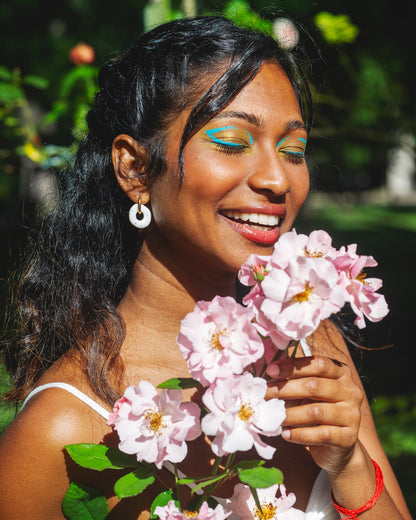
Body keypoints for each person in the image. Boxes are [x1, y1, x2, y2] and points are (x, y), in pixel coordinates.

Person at [0, 16, 411, 520]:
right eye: (233, 143)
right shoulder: (63, 429)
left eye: (294, 150)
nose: (277, 179)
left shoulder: (312, 349)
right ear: (134, 169)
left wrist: (347, 466)